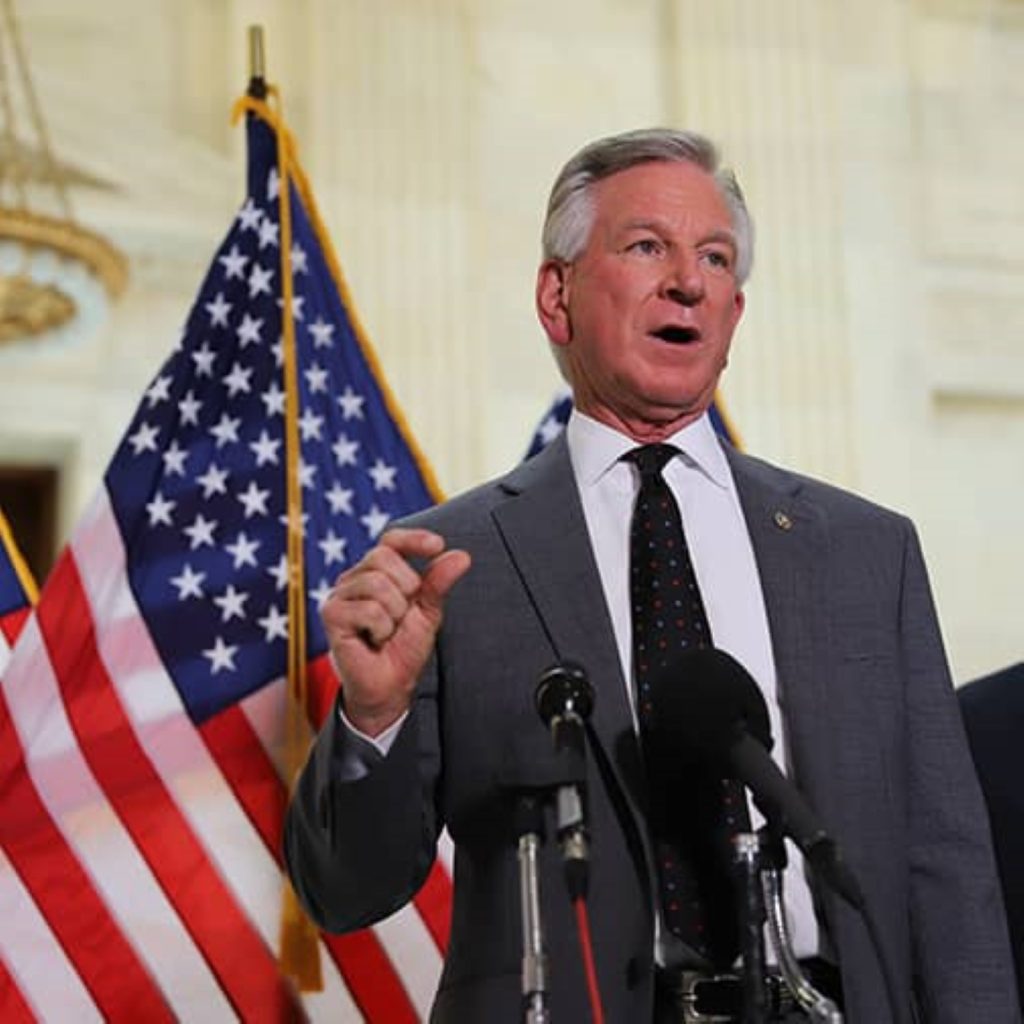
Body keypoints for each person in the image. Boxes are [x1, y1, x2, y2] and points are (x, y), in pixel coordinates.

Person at [284, 129, 1019, 1022]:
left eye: (715, 258)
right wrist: (374, 717)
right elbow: (347, 890)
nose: (688, 282)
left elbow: (949, 875)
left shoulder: (866, 552)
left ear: (734, 313)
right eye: (646, 247)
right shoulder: (452, 562)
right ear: (557, 297)